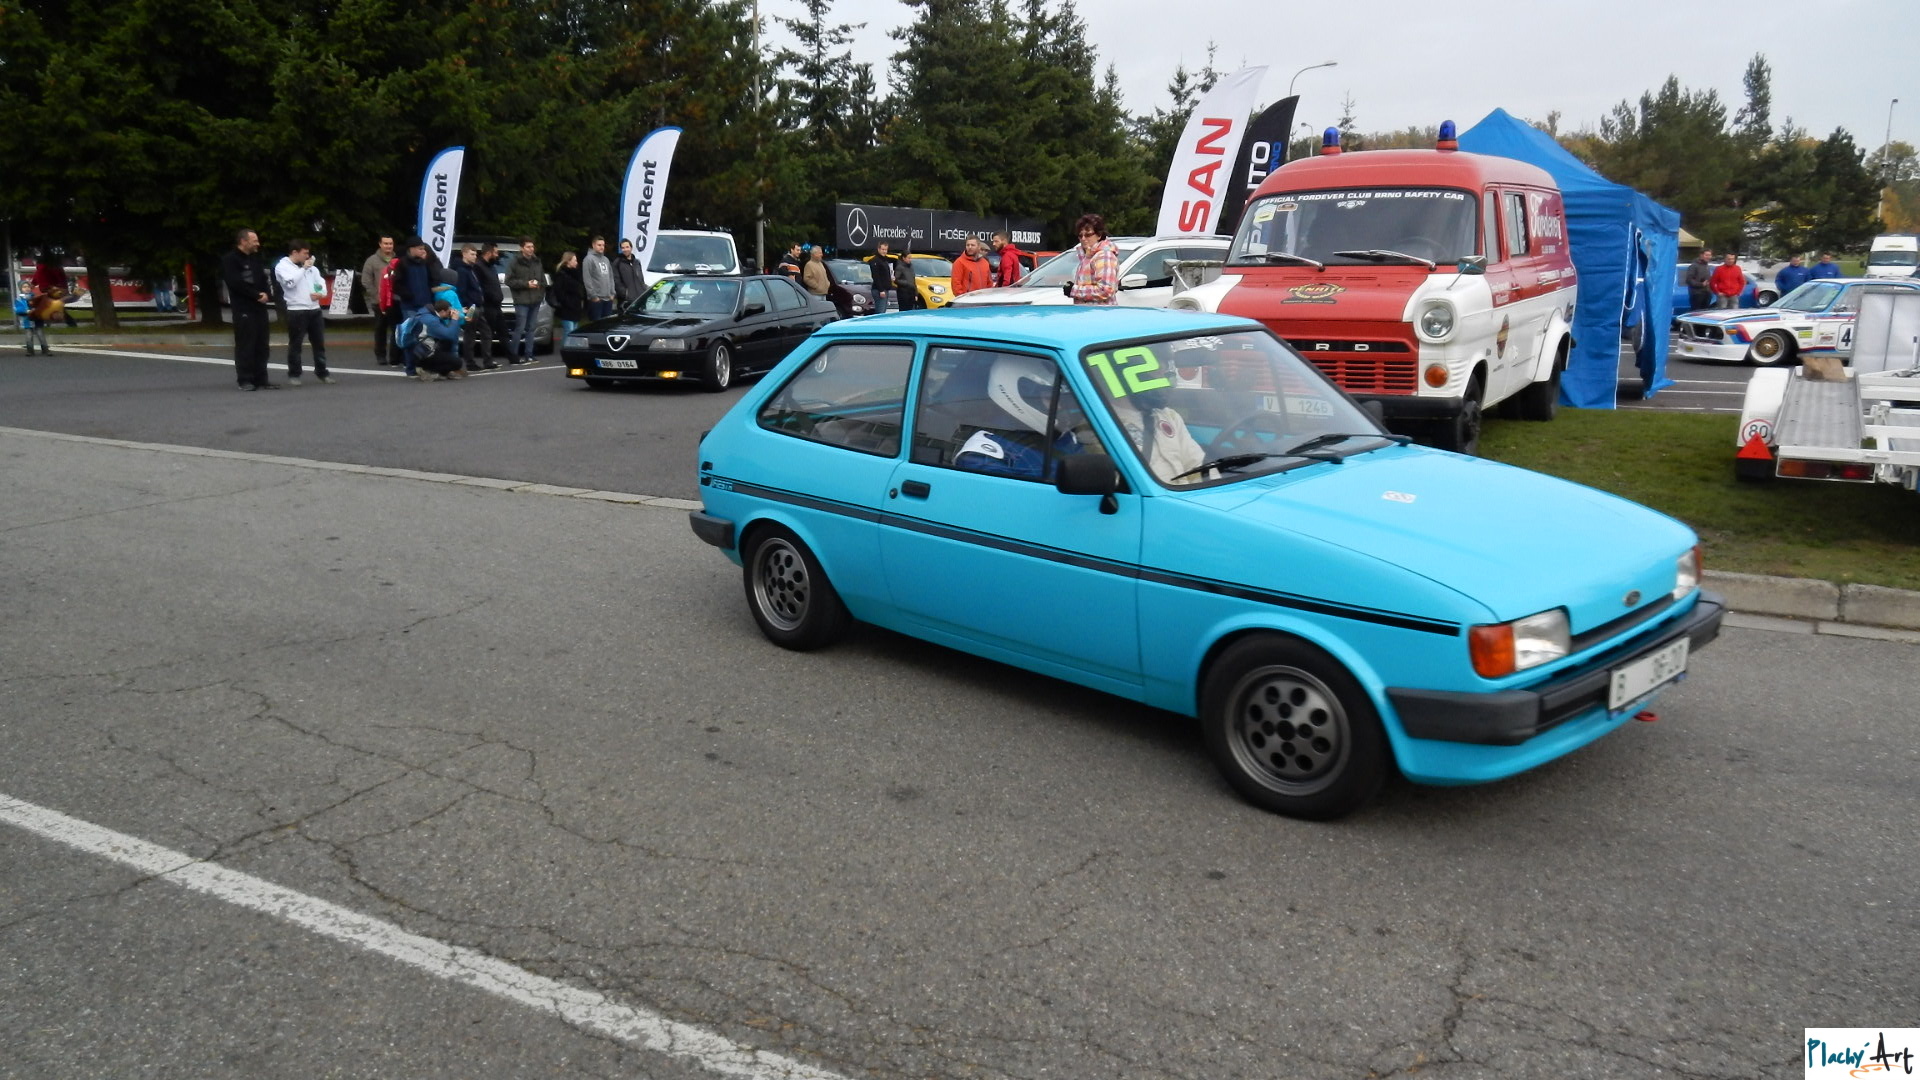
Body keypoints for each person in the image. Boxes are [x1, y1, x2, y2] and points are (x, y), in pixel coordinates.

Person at [221, 229, 275, 390]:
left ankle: (261, 379)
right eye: (254, 241)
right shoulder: (230, 260)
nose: (258, 244)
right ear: (243, 241)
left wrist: (266, 294)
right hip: (243, 308)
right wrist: (256, 295)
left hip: (260, 308)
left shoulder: (255, 259)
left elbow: (263, 279)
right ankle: (245, 380)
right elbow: (235, 283)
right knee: (246, 344)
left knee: (262, 344)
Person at [273, 241, 331, 385]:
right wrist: (303, 269)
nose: (307, 256)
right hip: (296, 310)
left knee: (319, 343)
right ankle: (294, 373)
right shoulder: (282, 267)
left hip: (314, 309)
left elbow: (320, 282)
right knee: (296, 344)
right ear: (295, 252)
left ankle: (322, 372)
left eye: (308, 253)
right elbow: (290, 283)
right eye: (305, 253)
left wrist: (320, 293)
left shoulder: (312, 268)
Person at [501, 237, 545, 365]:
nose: (531, 249)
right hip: (521, 300)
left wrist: (540, 288)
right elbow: (509, 280)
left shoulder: (537, 261)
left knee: (531, 328)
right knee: (520, 328)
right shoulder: (515, 262)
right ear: (521, 248)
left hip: (535, 299)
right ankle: (514, 355)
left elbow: (542, 279)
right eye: (528, 247)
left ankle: (529, 354)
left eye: (532, 246)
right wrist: (526, 284)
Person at [456, 244, 497, 371]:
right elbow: (461, 291)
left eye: (475, 254)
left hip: (477, 306)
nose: (475, 257)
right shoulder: (462, 271)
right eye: (472, 254)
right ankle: (470, 362)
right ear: (464, 254)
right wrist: (466, 305)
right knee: (470, 334)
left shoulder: (471, 269)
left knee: (486, 332)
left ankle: (487, 360)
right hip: (471, 307)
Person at [361, 235, 397, 366]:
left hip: (395, 301)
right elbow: (366, 280)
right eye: (386, 243)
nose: (388, 246)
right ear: (380, 244)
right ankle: (381, 355)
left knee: (396, 329)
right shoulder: (372, 261)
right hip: (379, 302)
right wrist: (377, 296)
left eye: (390, 243)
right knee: (380, 329)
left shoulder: (398, 260)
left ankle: (395, 356)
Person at [1069, 214, 1120, 306]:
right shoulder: (1087, 257)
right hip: (1088, 312)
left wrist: (1074, 290)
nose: (1083, 238)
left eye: (1088, 235)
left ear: (1099, 235)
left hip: (1101, 312)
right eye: (1080, 235)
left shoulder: (1104, 256)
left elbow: (1106, 290)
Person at [31, 252, 79, 328]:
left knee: (44, 307)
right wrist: (33, 284)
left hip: (53, 290)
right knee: (53, 307)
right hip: (49, 290)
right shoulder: (43, 266)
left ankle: (39, 325)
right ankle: (71, 324)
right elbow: (38, 275)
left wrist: (61, 288)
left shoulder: (50, 266)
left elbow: (60, 277)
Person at [549, 250, 587, 339]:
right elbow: (559, 292)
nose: (576, 263)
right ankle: (566, 347)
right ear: (568, 261)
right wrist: (568, 302)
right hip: (567, 308)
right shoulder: (561, 275)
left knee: (574, 332)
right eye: (574, 260)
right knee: (569, 331)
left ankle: (572, 347)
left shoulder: (576, 274)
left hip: (576, 307)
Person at [583, 235, 615, 320]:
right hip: (596, 299)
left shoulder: (606, 259)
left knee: (606, 324)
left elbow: (611, 277)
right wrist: (593, 296)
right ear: (593, 245)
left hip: (608, 298)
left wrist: (612, 293)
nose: (602, 247)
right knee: (596, 325)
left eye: (603, 245)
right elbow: (587, 279)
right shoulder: (588, 259)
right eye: (599, 245)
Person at [18, 282, 50, 355]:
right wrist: (25, 311)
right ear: (21, 289)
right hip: (27, 319)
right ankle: (30, 350)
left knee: (40, 334)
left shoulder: (35, 297)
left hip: (37, 319)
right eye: (24, 287)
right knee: (29, 335)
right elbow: (17, 309)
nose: (27, 288)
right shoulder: (19, 299)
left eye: (28, 287)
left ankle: (45, 349)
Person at [613, 238, 644, 307]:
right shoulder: (617, 263)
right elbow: (616, 281)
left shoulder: (637, 262)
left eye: (627, 247)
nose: (625, 249)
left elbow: (641, 279)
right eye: (623, 248)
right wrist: (625, 294)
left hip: (640, 298)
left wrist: (643, 290)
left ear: (631, 248)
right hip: (626, 301)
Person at [868, 241, 896, 314]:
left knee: (883, 310)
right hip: (879, 290)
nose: (884, 251)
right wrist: (881, 290)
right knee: (880, 312)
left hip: (885, 289)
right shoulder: (875, 261)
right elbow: (875, 276)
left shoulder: (884, 260)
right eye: (883, 249)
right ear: (878, 249)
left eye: (886, 250)